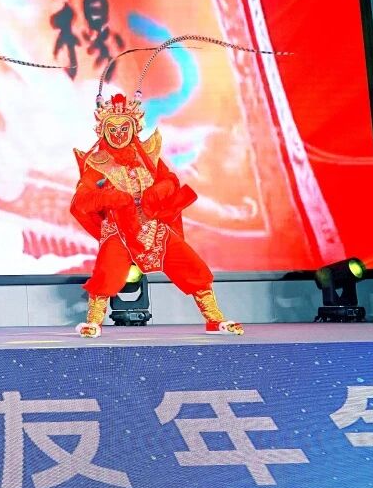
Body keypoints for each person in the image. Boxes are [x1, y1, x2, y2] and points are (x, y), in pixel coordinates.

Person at [70, 90, 244, 336]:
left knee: (191, 266)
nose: (119, 134)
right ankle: (93, 322)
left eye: (124, 129)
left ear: (133, 128)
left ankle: (215, 320)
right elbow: (80, 201)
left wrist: (156, 192)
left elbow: (170, 180)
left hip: (152, 225)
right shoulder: (98, 164)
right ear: (103, 131)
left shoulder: (147, 156)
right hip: (119, 228)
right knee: (107, 272)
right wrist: (110, 197)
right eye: (113, 129)